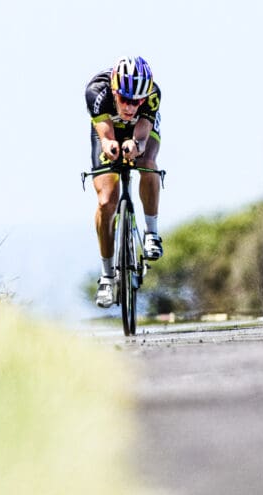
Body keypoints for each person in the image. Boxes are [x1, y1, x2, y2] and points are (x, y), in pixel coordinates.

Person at [84, 55, 163, 308]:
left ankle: (152, 233)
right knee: (107, 201)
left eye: (136, 101)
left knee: (147, 163)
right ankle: (107, 276)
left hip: (140, 129)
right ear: (115, 91)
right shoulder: (97, 91)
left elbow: (142, 134)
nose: (130, 107)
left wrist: (136, 144)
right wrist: (111, 146)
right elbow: (106, 138)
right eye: (125, 100)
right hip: (108, 126)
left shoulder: (152, 95)